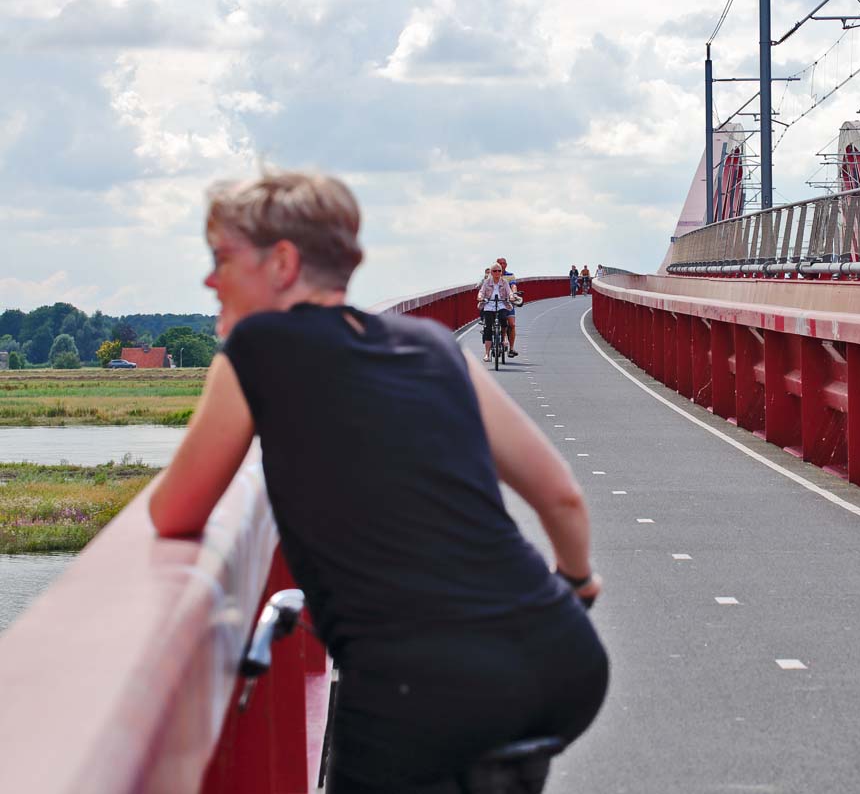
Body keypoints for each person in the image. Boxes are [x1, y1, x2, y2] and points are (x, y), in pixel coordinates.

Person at [148, 172, 608, 792]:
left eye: (222, 259)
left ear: (282, 262)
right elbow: (561, 495)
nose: (210, 280)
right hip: (561, 656)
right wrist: (576, 584)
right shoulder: (430, 345)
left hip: (414, 691)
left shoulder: (257, 347)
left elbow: (175, 511)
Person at [477, 263, 513, 362]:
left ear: (501, 272)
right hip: (489, 304)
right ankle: (487, 354)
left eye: (499, 271)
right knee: (488, 328)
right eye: (494, 271)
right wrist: (480, 297)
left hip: (502, 304)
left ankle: (504, 338)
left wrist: (511, 296)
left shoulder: (504, 282)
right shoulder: (487, 282)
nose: (497, 273)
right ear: (491, 273)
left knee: (503, 320)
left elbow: (509, 291)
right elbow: (481, 291)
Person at [496, 256, 520, 358]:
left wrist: (513, 294)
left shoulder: (510, 275)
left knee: (512, 324)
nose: (502, 265)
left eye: (503, 263)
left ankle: (511, 348)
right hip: (497, 303)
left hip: (508, 302)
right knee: (498, 322)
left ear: (506, 265)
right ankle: (500, 338)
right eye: (500, 263)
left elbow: (513, 285)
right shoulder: (492, 275)